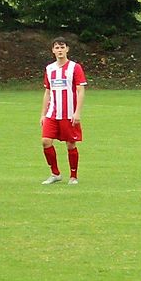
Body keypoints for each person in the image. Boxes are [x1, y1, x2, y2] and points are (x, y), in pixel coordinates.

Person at [40, 36, 87, 185]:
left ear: (67, 49)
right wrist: (43, 114)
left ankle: (73, 176)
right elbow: (47, 92)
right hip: (52, 113)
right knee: (46, 141)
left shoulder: (75, 67)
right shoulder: (49, 69)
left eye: (62, 47)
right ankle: (55, 173)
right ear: (53, 50)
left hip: (69, 113)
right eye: (57, 48)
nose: (60, 50)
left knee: (70, 144)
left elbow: (80, 90)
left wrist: (77, 112)